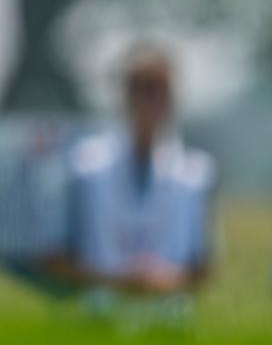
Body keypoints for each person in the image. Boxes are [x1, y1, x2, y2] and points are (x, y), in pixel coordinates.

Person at [44, 43, 217, 327]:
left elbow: (203, 268)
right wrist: (118, 280)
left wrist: (165, 279)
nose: (148, 100)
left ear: (172, 98)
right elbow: (55, 259)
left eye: (158, 90)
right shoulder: (84, 167)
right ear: (123, 97)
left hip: (170, 326)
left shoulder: (196, 174)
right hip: (102, 320)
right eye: (139, 88)